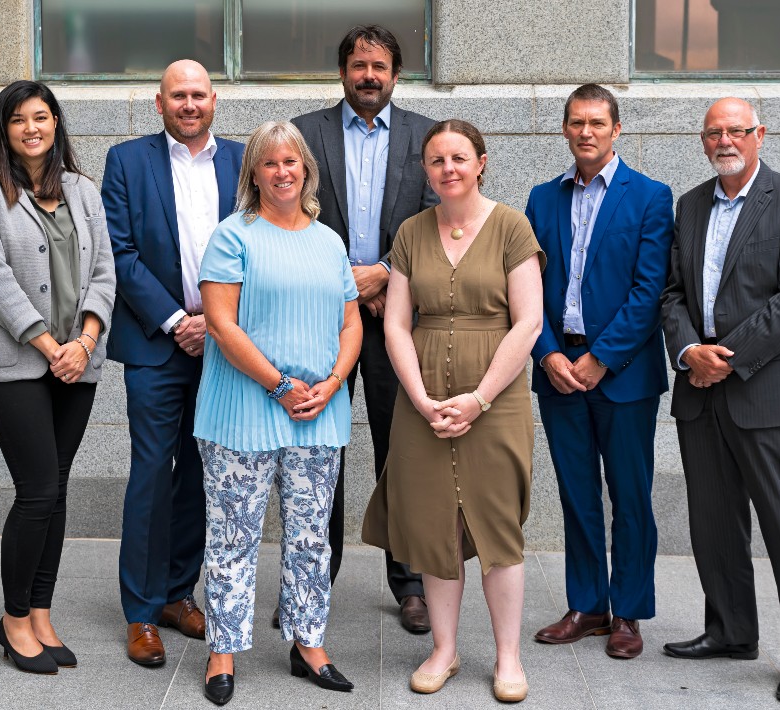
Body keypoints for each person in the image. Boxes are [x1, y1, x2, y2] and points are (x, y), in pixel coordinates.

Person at [363, 119, 544, 703]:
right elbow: (395, 322)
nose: (449, 168)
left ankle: (508, 658)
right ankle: (443, 648)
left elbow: (529, 323)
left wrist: (479, 398)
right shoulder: (411, 231)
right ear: (426, 169)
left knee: (497, 529)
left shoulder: (513, 226)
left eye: (459, 157)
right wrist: (418, 398)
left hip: (496, 399)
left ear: (481, 162)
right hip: (423, 398)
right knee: (436, 528)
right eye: (437, 160)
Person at [661, 97, 780, 703]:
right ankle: (731, 631)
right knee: (713, 521)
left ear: (760, 134)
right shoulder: (691, 205)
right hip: (699, 391)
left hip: (767, 389)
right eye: (714, 132)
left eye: (736, 130)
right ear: (703, 141)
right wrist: (687, 353)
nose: (724, 140)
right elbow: (672, 294)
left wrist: (721, 357)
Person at [195, 120, 362, 705]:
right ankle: (222, 651)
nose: (283, 172)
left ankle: (309, 643)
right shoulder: (232, 236)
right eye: (270, 163)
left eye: (292, 162)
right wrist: (282, 385)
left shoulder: (329, 241)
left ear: (307, 171)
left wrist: (333, 382)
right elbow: (221, 324)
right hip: (243, 412)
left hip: (320, 412)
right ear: (254, 175)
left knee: (312, 536)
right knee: (232, 537)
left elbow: (351, 322)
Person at [0, 80, 115, 674]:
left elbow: (104, 268)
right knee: (37, 490)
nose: (32, 128)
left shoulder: (82, 189)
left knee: (59, 488)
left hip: (80, 360)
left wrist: (86, 342)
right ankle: (13, 619)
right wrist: (52, 347)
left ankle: (42, 611)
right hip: (15, 364)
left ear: (56, 124)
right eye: (19, 119)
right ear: (4, 129)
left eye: (42, 117)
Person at [291, 24, 437, 633]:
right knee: (318, 453)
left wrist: (382, 274)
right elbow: (287, 211)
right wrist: (347, 282)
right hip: (323, 319)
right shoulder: (304, 133)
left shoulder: (426, 136)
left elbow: (437, 219)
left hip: (394, 318)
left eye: (379, 66)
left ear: (395, 75)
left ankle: (408, 582)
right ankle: (311, 580)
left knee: (397, 450)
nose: (368, 75)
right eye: (358, 65)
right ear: (343, 71)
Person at [102, 60, 245, 666]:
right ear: (158, 105)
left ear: (214, 101)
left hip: (225, 345)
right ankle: (140, 611)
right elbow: (121, 250)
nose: (189, 104)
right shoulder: (127, 160)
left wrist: (215, 325)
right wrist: (175, 321)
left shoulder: (242, 160)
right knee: (152, 473)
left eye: (198, 95)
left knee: (201, 473)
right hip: (156, 343)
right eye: (177, 96)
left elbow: (259, 239)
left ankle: (177, 594)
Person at [526, 83, 673, 659]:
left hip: (624, 374)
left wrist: (600, 359)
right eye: (576, 122)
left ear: (617, 129)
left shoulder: (650, 197)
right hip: (558, 369)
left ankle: (629, 613)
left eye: (597, 122)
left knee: (630, 494)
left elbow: (649, 290)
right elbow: (527, 287)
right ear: (564, 129)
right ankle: (588, 606)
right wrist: (548, 354)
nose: (586, 132)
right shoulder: (542, 198)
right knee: (576, 491)